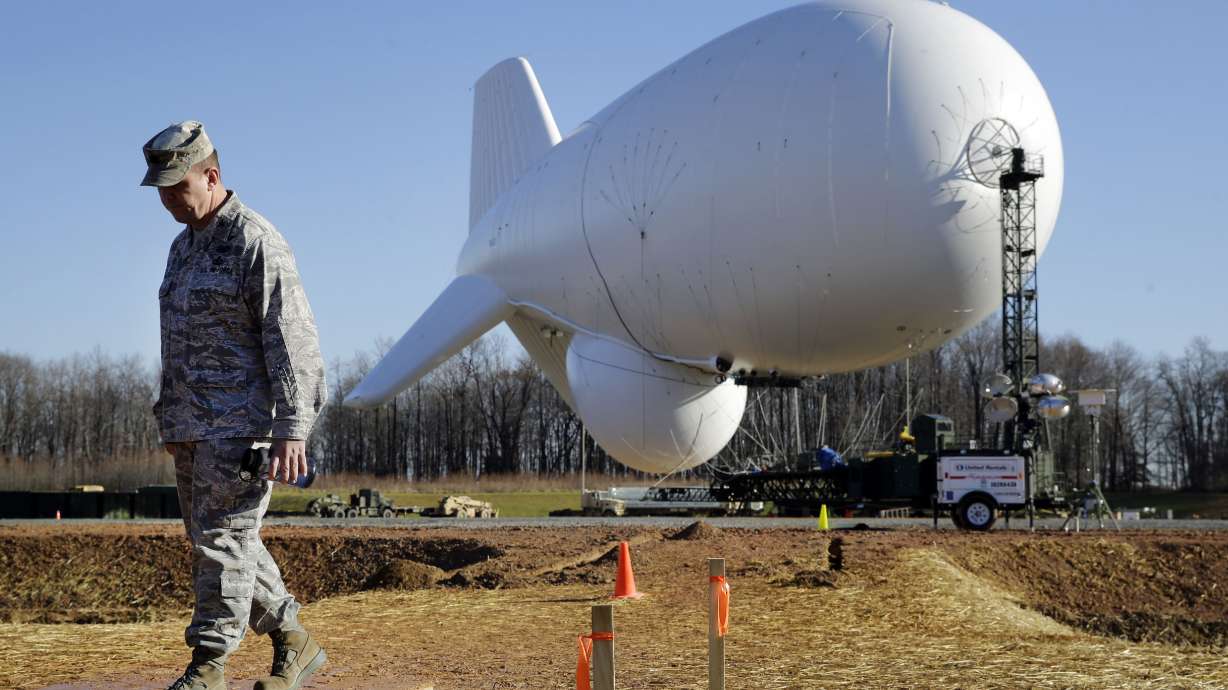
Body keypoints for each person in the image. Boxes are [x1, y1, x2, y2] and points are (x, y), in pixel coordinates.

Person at [143, 120, 328, 690]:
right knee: (222, 539)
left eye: (179, 187)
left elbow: (291, 337)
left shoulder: (255, 240)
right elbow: (177, 339)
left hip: (241, 427)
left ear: (212, 175)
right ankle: (294, 640)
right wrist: (172, 416)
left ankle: (208, 666)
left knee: (221, 541)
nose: (170, 200)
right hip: (191, 426)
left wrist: (292, 426)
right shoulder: (182, 248)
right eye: (162, 190)